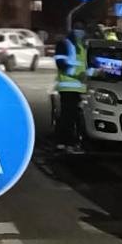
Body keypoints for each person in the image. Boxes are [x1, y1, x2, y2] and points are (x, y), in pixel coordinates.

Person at [53, 22, 88, 153]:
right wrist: (77, 75)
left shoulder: (81, 46)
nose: (80, 32)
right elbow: (60, 64)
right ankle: (65, 143)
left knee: (72, 117)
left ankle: (66, 143)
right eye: (78, 29)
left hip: (77, 88)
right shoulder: (64, 44)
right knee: (68, 117)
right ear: (72, 30)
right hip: (67, 87)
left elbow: (83, 67)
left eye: (82, 29)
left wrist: (95, 72)